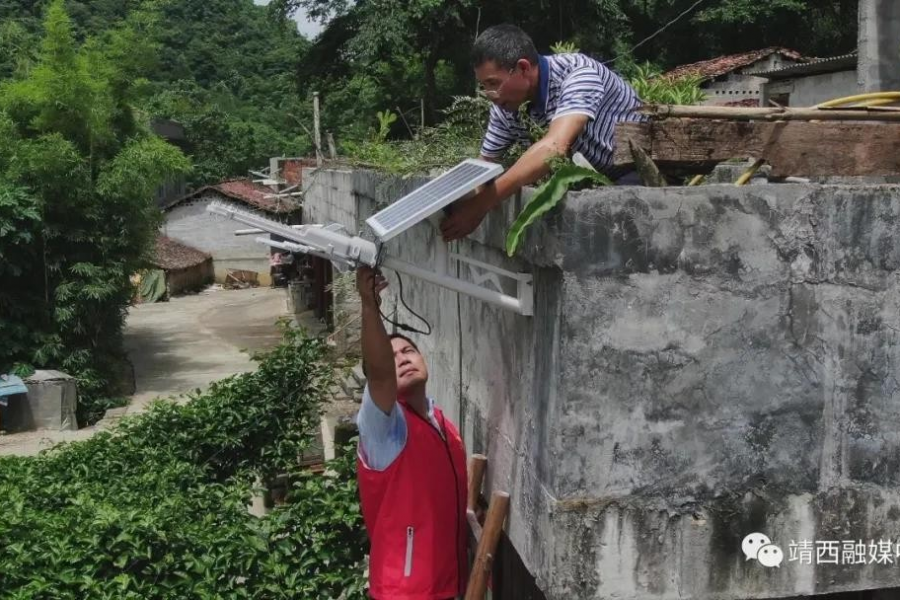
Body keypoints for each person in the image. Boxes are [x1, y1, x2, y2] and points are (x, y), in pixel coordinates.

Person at [440, 24, 644, 242]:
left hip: (633, 177)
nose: (489, 94)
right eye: (484, 86)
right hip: (584, 184)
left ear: (523, 68)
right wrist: (455, 204)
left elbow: (553, 148)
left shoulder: (579, 74)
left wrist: (480, 205)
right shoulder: (505, 104)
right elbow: (486, 164)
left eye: (493, 83)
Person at [355, 267, 468, 600]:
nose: (401, 359)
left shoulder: (439, 421)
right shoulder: (385, 430)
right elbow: (379, 377)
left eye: (408, 351)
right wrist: (368, 305)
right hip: (405, 592)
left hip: (446, 584)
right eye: (391, 357)